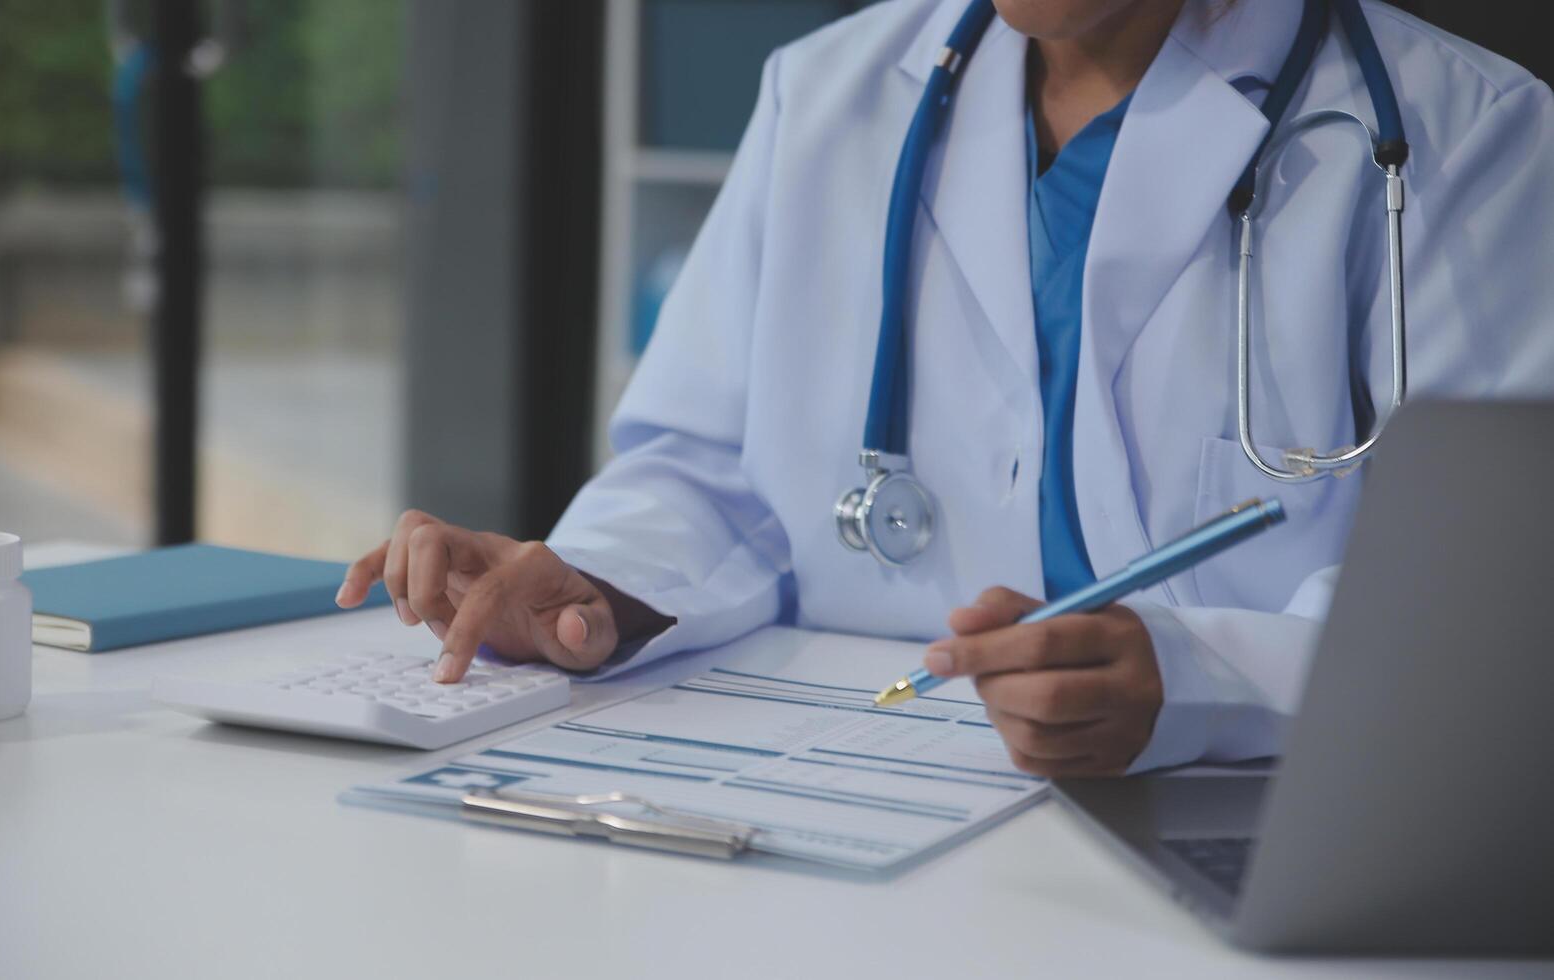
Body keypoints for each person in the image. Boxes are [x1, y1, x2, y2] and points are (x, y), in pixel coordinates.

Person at [336, 0, 1554, 776]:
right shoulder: (827, 94)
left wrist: (1204, 679)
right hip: (867, 787)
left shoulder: (1463, 136)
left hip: (1263, 803)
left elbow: (1488, 590)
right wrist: (593, 586)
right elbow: (706, 462)